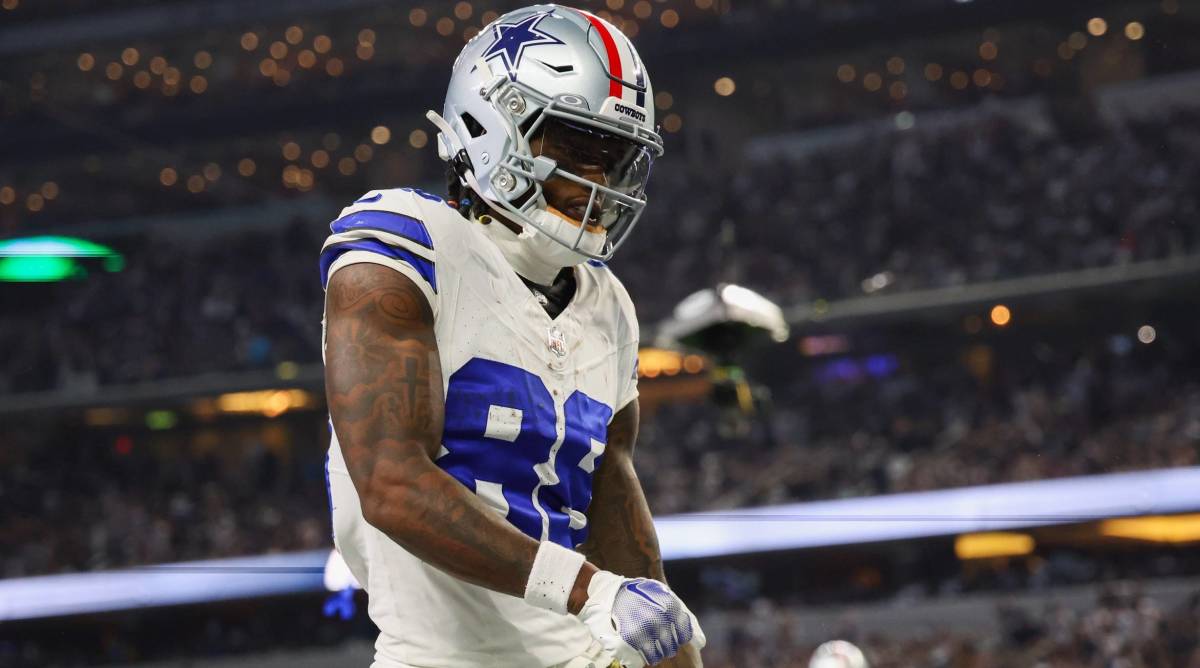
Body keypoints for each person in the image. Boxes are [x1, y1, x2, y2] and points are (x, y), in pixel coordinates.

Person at [319, 5, 705, 667]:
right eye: (576, 145)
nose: (599, 178)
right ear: (488, 124)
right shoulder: (404, 247)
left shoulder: (606, 300)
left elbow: (610, 495)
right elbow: (391, 483)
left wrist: (662, 634)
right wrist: (590, 592)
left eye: (613, 156)